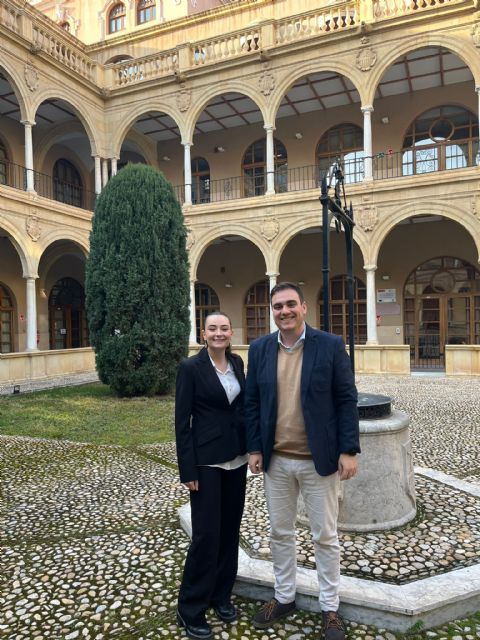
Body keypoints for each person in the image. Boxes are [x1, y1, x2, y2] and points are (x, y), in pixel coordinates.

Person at [245, 282, 360, 640]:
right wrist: (254, 448)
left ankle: (330, 608)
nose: (284, 311)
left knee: (324, 536)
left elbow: (346, 399)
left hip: (318, 461)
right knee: (280, 533)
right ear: (272, 311)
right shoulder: (260, 348)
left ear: (304, 308)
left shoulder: (329, 345)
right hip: (277, 461)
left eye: (290, 304)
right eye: (278, 306)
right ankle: (284, 596)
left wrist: (348, 449)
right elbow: (252, 403)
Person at [175, 311, 248, 640]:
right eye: (212, 328)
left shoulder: (238, 364)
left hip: (237, 458)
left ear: (231, 333)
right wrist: (187, 468)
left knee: (230, 530)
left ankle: (221, 595)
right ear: (203, 334)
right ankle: (190, 606)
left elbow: (242, 409)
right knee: (207, 536)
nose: (219, 333)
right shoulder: (191, 368)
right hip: (206, 463)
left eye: (224, 328)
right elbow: (182, 422)